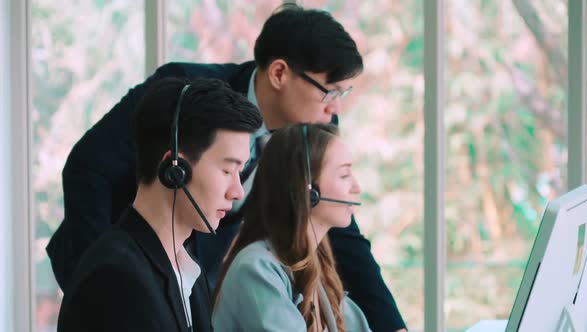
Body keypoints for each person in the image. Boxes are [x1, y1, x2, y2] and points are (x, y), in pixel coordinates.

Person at [47, 4, 407, 331]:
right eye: (329, 92)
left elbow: (341, 231)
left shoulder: (310, 132)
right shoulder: (186, 97)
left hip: (189, 273)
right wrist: (100, 270)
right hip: (122, 263)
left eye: (341, 96)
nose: (333, 110)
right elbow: (88, 169)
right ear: (280, 73)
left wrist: (392, 326)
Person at [56, 78, 262, 332]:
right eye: (227, 170)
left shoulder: (188, 272)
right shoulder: (116, 277)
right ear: (175, 168)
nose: (237, 191)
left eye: (240, 172)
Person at [213, 123, 371, 332]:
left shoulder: (318, 271)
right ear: (307, 189)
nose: (356, 187)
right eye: (344, 175)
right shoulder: (256, 269)